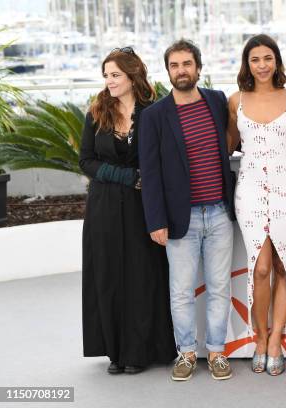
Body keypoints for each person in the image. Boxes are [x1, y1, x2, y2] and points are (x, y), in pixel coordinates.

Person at [138, 39, 235, 382]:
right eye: (175, 65)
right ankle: (187, 353)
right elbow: (149, 173)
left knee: (220, 286)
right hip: (182, 218)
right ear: (168, 72)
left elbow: (232, 142)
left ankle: (218, 351)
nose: (181, 70)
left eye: (187, 64)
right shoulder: (154, 116)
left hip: (220, 213)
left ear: (198, 68)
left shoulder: (217, 101)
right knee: (181, 291)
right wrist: (156, 220)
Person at [79, 47, 176, 375]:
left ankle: (139, 351)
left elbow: (163, 158)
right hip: (103, 207)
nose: (109, 81)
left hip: (141, 207)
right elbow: (86, 160)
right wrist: (124, 176)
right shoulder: (96, 112)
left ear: (133, 76)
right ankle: (115, 353)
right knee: (108, 276)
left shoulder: (153, 112)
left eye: (115, 75)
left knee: (141, 275)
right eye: (106, 75)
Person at [227, 34, 286, 376]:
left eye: (267, 58)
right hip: (250, 188)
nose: (262, 65)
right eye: (255, 59)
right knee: (260, 267)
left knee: (284, 266)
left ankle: (276, 341)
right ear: (247, 63)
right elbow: (228, 145)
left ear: (276, 61)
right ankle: (259, 338)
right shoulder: (235, 101)